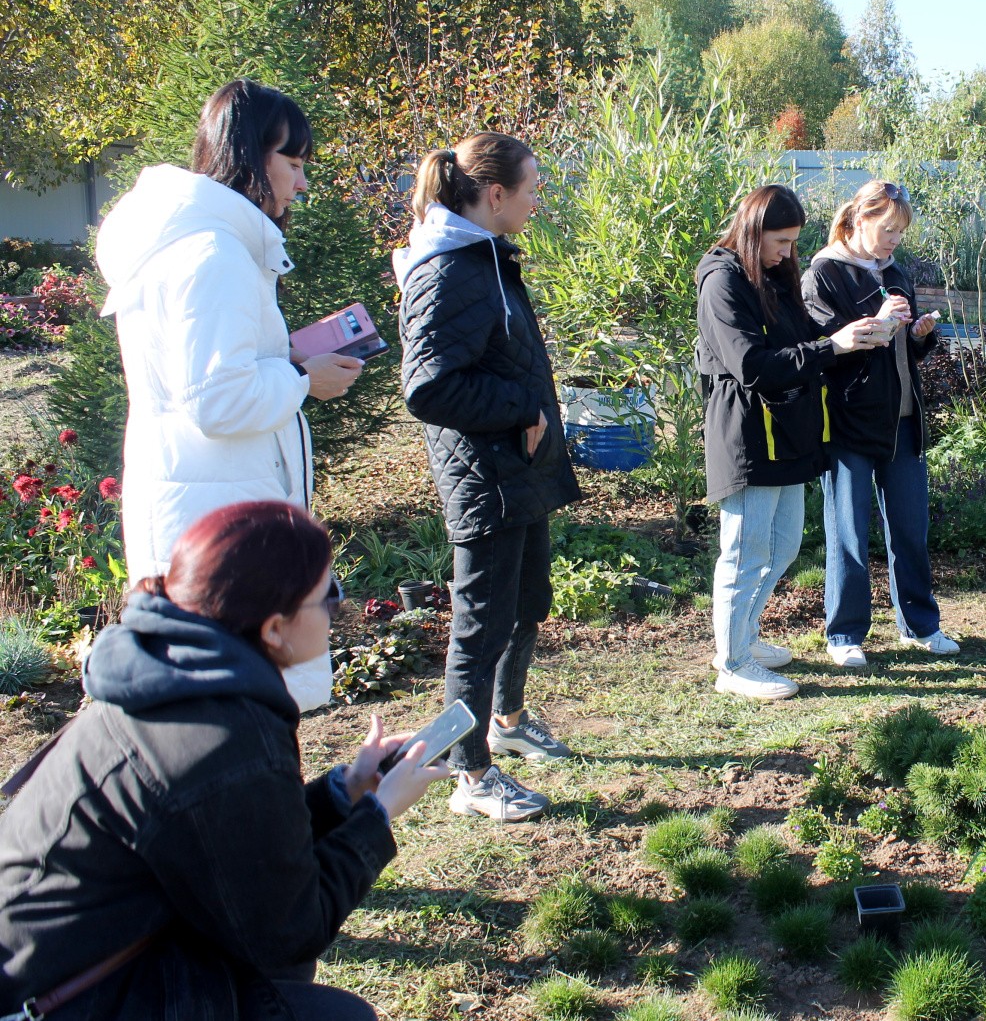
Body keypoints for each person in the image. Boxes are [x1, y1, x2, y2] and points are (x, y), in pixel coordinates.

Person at [0, 501, 450, 1021]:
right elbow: (289, 932)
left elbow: (231, 839)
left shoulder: (168, 674)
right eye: (328, 595)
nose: (338, 608)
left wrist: (345, 791)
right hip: (70, 999)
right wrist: (378, 817)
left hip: (70, 960)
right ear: (274, 629)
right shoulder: (222, 737)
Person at [96, 79, 365, 712]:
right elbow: (217, 402)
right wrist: (304, 380)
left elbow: (207, 375)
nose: (301, 184)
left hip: (207, 506)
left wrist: (286, 358)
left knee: (211, 713)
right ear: (249, 156)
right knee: (230, 715)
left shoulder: (200, 244)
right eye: (293, 164)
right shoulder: (212, 254)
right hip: (216, 517)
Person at [396, 132, 582, 823]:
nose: (537, 200)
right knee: (479, 628)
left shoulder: (485, 258)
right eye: (531, 188)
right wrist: (522, 408)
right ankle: (469, 772)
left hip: (517, 468)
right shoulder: (449, 269)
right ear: (495, 195)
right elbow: (429, 387)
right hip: (484, 477)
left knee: (528, 601)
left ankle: (507, 717)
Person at [696, 184, 890, 701]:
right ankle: (732, 663)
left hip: (787, 433)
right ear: (754, 230)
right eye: (780, 241)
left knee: (780, 547)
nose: (787, 253)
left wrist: (860, 336)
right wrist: (833, 345)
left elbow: (807, 343)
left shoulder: (773, 277)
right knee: (744, 552)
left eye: (792, 242)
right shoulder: (721, 281)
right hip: (746, 436)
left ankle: (744, 638)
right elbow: (750, 365)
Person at [802, 179, 957, 669]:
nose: (893, 241)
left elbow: (901, 349)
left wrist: (919, 335)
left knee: (911, 528)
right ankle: (844, 633)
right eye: (886, 230)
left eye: (899, 233)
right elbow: (828, 351)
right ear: (858, 220)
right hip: (850, 424)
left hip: (905, 422)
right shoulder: (824, 275)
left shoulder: (896, 273)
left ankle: (920, 626)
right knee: (848, 531)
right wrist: (882, 320)